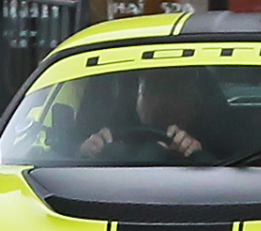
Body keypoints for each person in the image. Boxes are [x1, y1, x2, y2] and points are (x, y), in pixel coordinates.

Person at [80, 67, 213, 161]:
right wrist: (86, 153)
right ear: (137, 97)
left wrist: (197, 155)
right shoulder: (110, 137)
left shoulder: (216, 144)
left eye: (173, 90)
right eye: (152, 90)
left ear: (195, 98)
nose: (161, 101)